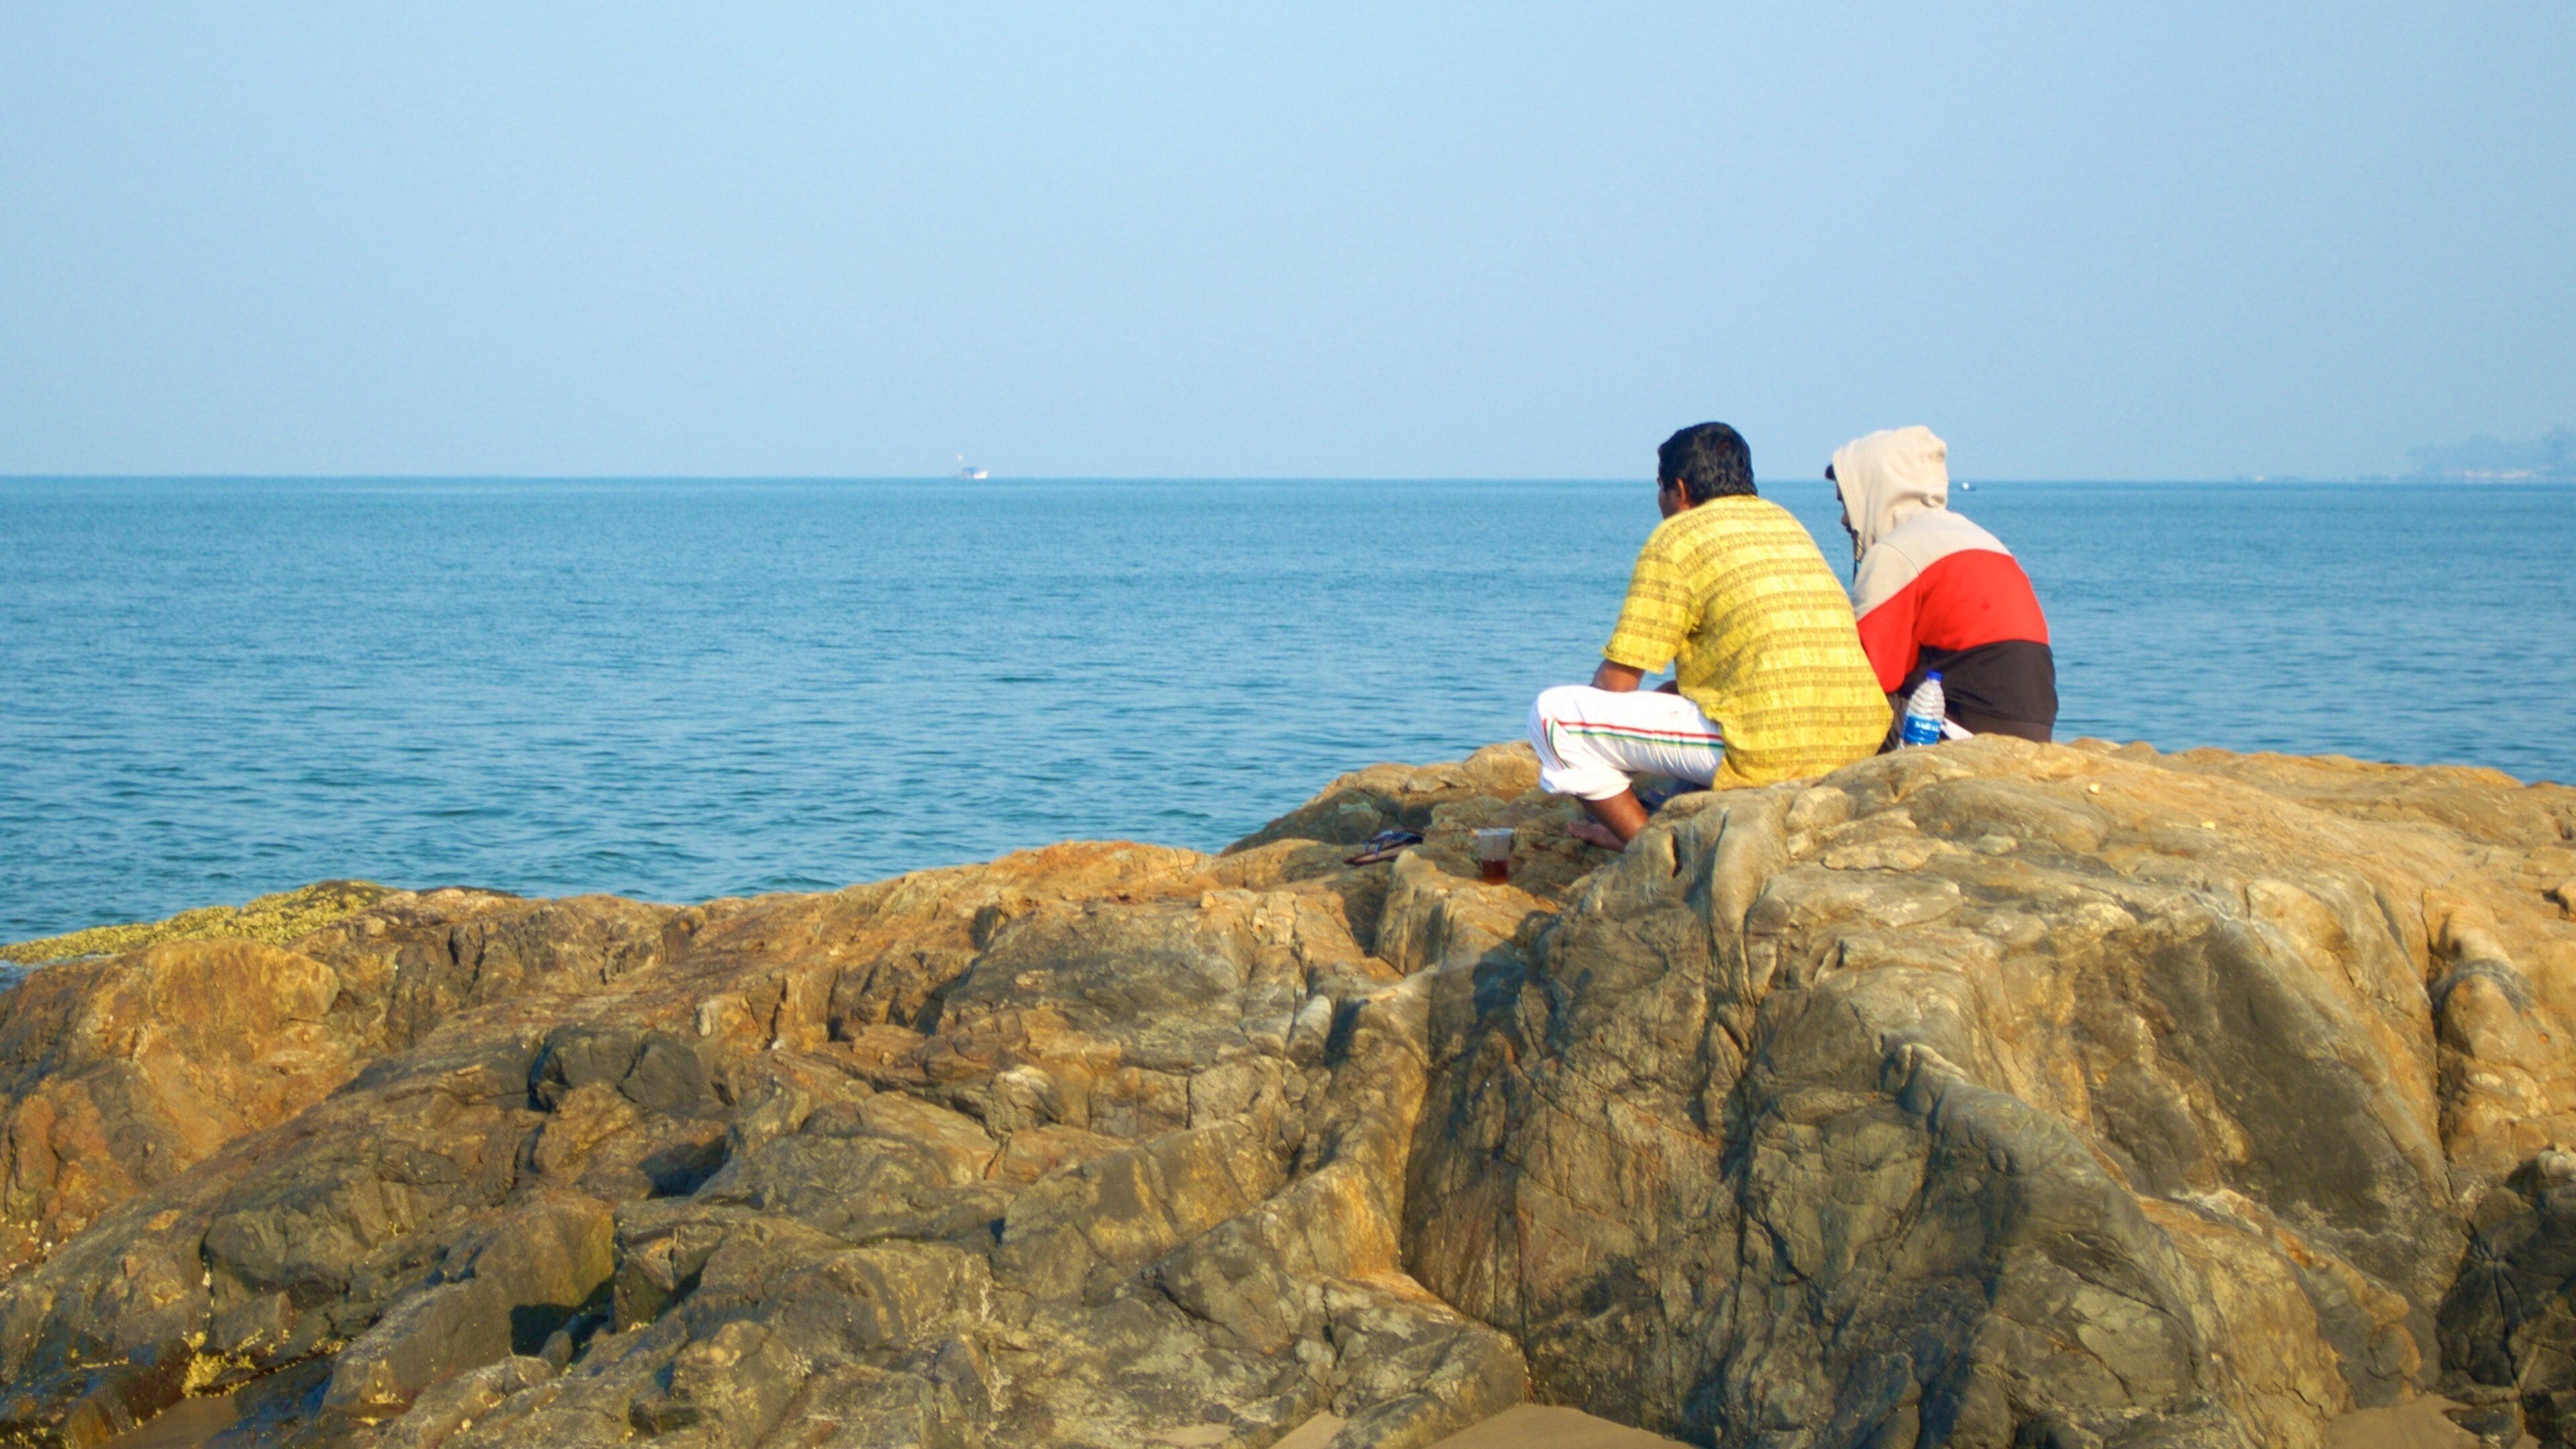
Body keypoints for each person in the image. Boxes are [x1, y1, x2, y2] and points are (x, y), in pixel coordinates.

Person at [1529, 423, 1892, 850]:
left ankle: (1649, 850)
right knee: (1673, 694)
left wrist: (1604, 753)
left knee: (1554, 719)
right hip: (1858, 739)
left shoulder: (1678, 536)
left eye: (1661, 488)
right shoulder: (1785, 523)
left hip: (1772, 746)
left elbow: (1618, 683)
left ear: (1679, 490)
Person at [1828, 426, 2056, 745]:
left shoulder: (1896, 552)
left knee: (1839, 705)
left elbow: (1872, 678)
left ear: (1875, 492)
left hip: (1963, 730)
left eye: (1847, 504)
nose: (1843, 519)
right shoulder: (1979, 537)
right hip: (2033, 730)